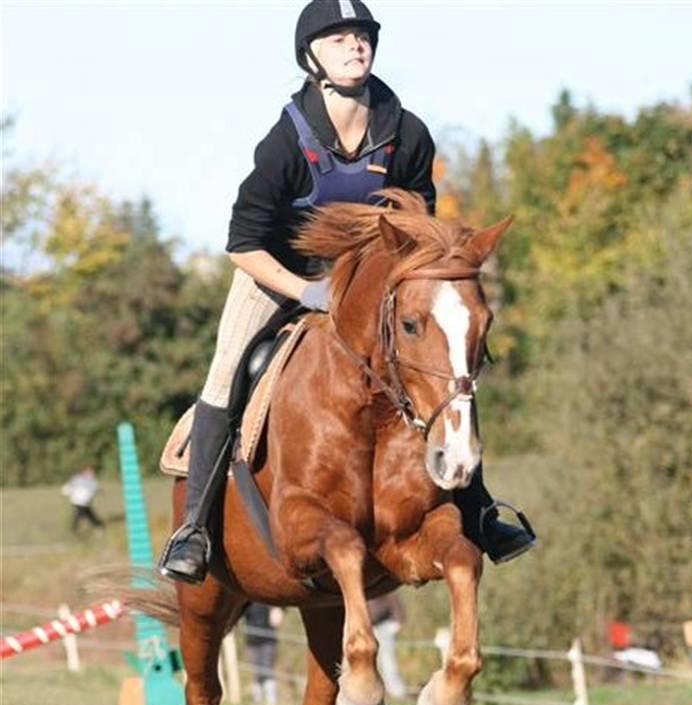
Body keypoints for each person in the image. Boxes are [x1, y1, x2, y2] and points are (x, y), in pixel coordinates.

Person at [159, 0, 535, 585]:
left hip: (372, 283)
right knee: (228, 372)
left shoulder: (407, 133)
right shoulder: (286, 141)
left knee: (439, 369)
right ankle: (196, 529)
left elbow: (420, 232)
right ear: (312, 57)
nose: (355, 45)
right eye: (338, 39)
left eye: (361, 36)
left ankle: (479, 511)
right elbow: (242, 245)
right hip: (279, 273)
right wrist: (306, 292)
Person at [368, 590, 407, 698]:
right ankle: (375, 690)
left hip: (384, 625)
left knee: (387, 659)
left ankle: (396, 690)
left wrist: (397, 621)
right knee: (372, 660)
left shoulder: (380, 583)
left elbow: (393, 598)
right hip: (370, 626)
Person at [244, 603, 283, 705]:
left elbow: (281, 607)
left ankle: (271, 701)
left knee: (267, 669)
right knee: (255, 671)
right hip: (251, 640)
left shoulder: (268, 598)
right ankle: (257, 700)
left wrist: (279, 609)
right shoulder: (247, 601)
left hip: (268, 640)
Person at [61, 466, 105, 535]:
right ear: (85, 472)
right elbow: (68, 487)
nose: (92, 473)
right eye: (90, 472)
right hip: (78, 502)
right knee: (82, 515)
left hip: (85, 503)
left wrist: (99, 490)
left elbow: (95, 489)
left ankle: (97, 527)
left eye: (92, 472)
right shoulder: (77, 479)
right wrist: (65, 492)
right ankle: (76, 530)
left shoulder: (91, 480)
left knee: (88, 515)